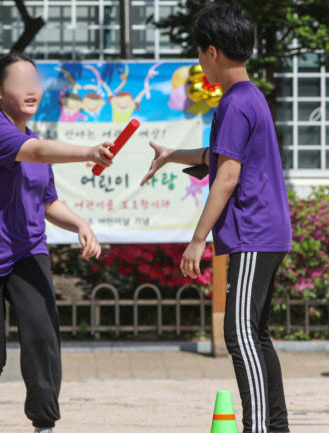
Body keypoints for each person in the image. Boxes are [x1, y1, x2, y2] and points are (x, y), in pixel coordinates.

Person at [141, 5, 292, 433]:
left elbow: (227, 175)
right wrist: (172, 156)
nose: (200, 62)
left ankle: (261, 427)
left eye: (199, 54)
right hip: (265, 233)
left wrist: (196, 240)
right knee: (254, 335)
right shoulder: (249, 97)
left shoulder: (234, 103)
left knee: (239, 335)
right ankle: (272, 426)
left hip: (252, 233)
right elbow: (220, 157)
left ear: (212, 52)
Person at [0, 52, 113, 433]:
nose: (31, 89)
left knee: (42, 333)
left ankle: (44, 423)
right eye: (20, 82)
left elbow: (48, 202)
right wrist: (88, 151)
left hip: (26, 250)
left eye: (34, 81)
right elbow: (34, 152)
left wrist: (80, 224)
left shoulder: (34, 141)